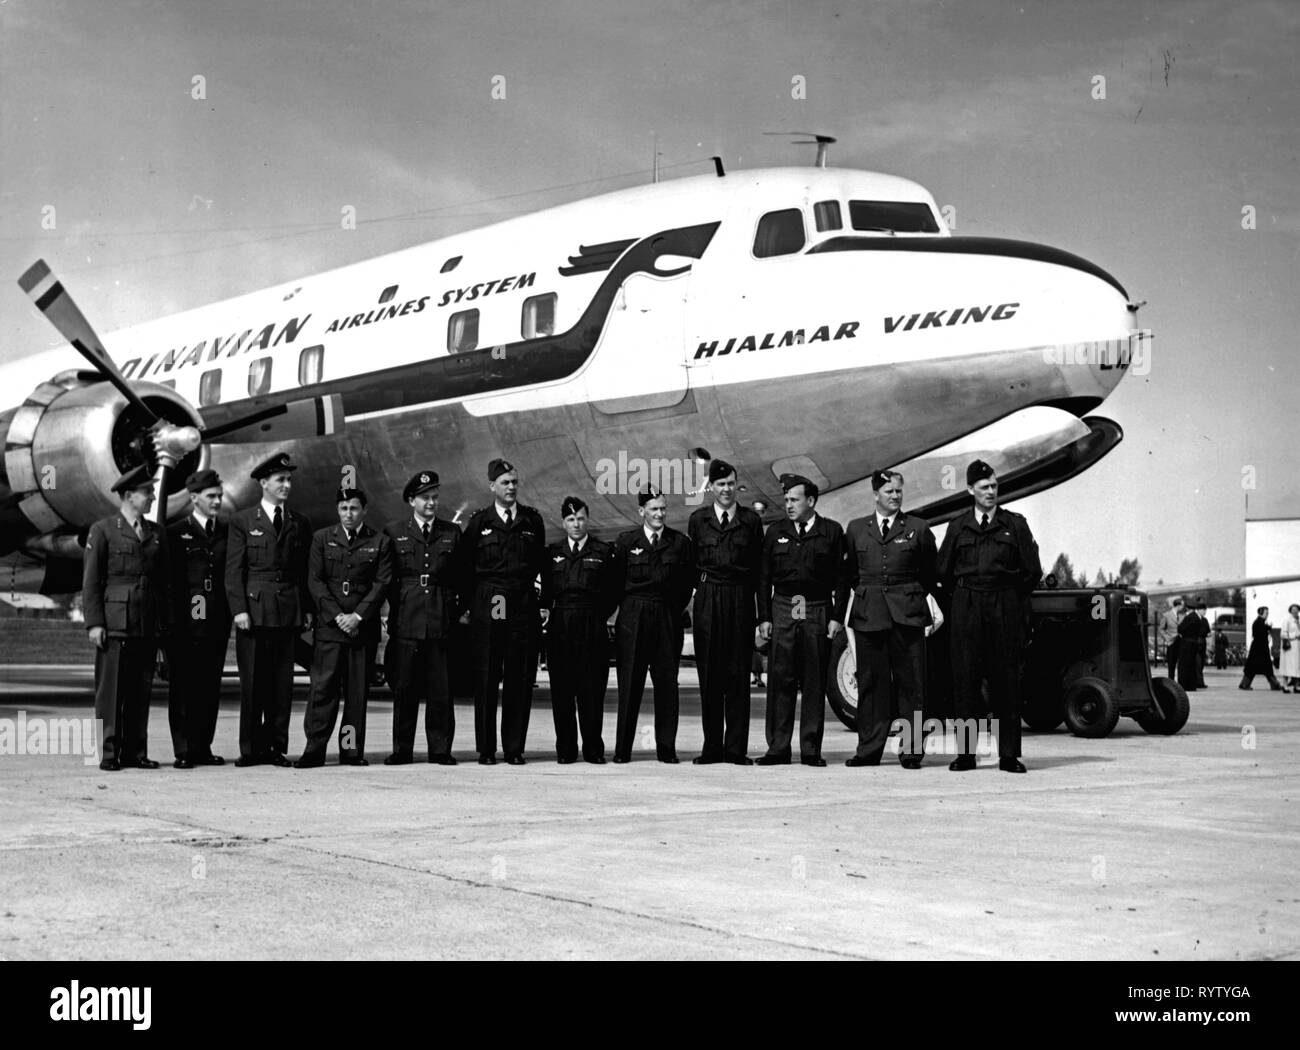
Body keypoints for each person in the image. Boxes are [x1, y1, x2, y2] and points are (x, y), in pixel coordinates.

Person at [936, 459, 1041, 773]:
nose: (991, 492)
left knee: (1006, 682)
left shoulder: (1015, 524)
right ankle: (966, 755)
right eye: (984, 487)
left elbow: (1031, 571)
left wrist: (1009, 600)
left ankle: (1008, 755)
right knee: (966, 684)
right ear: (970, 490)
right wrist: (961, 602)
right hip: (966, 608)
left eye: (994, 486)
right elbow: (942, 572)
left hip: (1004, 607)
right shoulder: (958, 526)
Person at [837, 470, 937, 769]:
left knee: (912, 686)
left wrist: (909, 596)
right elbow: (851, 575)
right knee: (871, 685)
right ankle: (869, 750)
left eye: (898, 491)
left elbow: (930, 573)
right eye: (889, 491)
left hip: (907, 617)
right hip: (870, 618)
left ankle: (911, 752)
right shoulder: (856, 529)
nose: (895, 496)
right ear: (875, 494)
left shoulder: (918, 528)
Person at [225, 451, 313, 767]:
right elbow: (234, 571)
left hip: (287, 611)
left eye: (289, 479)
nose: (286, 485)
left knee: (281, 686)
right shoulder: (242, 522)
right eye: (280, 479)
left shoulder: (299, 523)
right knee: (252, 685)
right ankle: (250, 749)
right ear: (264, 483)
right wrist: (239, 610)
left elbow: (302, 572)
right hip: (255, 611)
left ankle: (276, 747)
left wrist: (305, 609)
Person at [296, 487, 392, 768]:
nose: (348, 514)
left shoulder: (380, 541)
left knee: (356, 694)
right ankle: (314, 750)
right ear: (337, 510)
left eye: (353, 508)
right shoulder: (322, 539)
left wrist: (357, 617)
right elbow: (315, 581)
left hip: (361, 630)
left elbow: (381, 584)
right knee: (322, 691)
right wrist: (337, 615)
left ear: (363, 510)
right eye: (343, 509)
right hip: (330, 628)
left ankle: (350, 751)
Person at [82, 465, 169, 771]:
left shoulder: (156, 533)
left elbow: (161, 583)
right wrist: (94, 623)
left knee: (139, 691)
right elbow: (92, 582)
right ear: (130, 495)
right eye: (148, 492)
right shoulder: (103, 530)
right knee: (111, 692)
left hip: (145, 622)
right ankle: (107, 753)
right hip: (115, 622)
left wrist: (161, 626)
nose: (153, 496)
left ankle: (135, 752)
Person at [460, 459, 546, 765]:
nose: (511, 488)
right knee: (486, 676)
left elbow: (539, 565)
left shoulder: (531, 521)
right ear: (492, 486)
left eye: (514, 482)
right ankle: (486, 749)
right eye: (505, 483)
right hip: (490, 600)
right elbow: (466, 568)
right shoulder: (479, 522)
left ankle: (514, 748)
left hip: (521, 602)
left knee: (520, 678)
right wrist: (469, 607)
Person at [755, 474, 844, 766]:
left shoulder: (831, 531)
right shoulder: (775, 532)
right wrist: (764, 617)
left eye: (794, 500)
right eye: (786, 500)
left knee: (814, 679)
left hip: (816, 607)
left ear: (811, 501)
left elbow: (842, 580)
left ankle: (810, 749)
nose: (788, 505)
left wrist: (836, 618)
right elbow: (763, 577)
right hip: (784, 606)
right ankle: (778, 748)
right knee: (781, 678)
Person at [382, 470, 464, 765]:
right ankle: (402, 749)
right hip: (407, 620)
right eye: (425, 498)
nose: (431, 503)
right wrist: (397, 609)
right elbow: (388, 580)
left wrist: (452, 611)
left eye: (434, 498)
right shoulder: (394, 532)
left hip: (440, 621)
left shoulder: (451, 533)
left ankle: (440, 750)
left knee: (441, 691)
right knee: (405, 690)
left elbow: (462, 578)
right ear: (411, 501)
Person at [688, 460, 764, 765]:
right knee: (709, 675)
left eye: (731, 483)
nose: (726, 489)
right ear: (711, 487)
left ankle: (735, 749)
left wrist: (761, 616)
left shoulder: (750, 521)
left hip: (739, 597)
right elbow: (691, 564)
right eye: (720, 484)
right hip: (708, 598)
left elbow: (759, 571)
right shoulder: (698, 520)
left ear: (737, 484)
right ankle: (712, 748)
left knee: (737, 675)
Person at [611, 487, 694, 763]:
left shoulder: (679, 543)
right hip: (633, 616)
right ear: (641, 511)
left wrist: (670, 608)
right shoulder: (626, 542)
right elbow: (616, 584)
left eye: (663, 508)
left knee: (667, 685)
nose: (659, 514)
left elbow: (686, 585)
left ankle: (666, 749)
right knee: (630, 685)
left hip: (666, 616)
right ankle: (622, 749)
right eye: (654, 509)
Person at [541, 497, 618, 763]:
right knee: (562, 692)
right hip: (560, 625)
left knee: (592, 691)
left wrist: (597, 616)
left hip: (591, 624)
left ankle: (593, 749)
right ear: (563, 523)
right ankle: (566, 750)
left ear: (588, 519)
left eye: (581, 518)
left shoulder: (603, 552)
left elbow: (613, 591)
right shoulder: (552, 553)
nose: (576, 523)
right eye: (571, 519)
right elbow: (546, 593)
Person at [166, 469, 231, 768]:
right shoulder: (177, 532)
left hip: (215, 622)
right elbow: (170, 583)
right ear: (194, 498)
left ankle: (203, 746)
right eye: (211, 497)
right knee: (183, 688)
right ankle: (183, 749)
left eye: (219, 496)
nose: (217, 501)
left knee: (209, 687)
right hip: (185, 624)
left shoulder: (227, 533)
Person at [1239, 606, 1282, 691]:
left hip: (1258, 649)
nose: (1267, 614)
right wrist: (1268, 628)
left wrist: (1268, 628)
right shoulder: (1259, 623)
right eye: (1266, 613)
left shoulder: (1260, 622)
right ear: (1261, 613)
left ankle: (1244, 684)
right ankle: (1275, 685)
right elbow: (1261, 635)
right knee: (1264, 669)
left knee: (1254, 668)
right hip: (1259, 649)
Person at [1177, 600, 1202, 691]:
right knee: (1192, 665)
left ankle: (1183, 684)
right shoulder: (1198, 618)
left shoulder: (1188, 618)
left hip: (1186, 643)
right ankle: (1192, 685)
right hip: (1194, 642)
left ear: (1187, 608)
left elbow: (1180, 629)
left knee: (1184, 665)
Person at [1157, 597, 1184, 679]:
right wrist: (1167, 638)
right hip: (1172, 641)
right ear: (1178, 605)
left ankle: (1181, 681)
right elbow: (1161, 629)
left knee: (1181, 663)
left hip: (1181, 641)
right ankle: (1171, 680)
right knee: (1171, 663)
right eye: (1182, 605)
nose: (1183, 607)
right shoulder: (1166, 615)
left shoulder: (1182, 615)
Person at [1280, 604, 1300, 692]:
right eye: (1293, 609)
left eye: (1297, 609)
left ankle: (1296, 686)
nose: (1295, 611)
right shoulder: (1287, 620)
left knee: (1297, 668)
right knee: (1287, 667)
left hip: (1297, 648)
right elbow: (1283, 634)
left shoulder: (1298, 620)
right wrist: (1295, 635)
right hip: (1290, 647)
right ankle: (1285, 686)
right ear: (1290, 610)